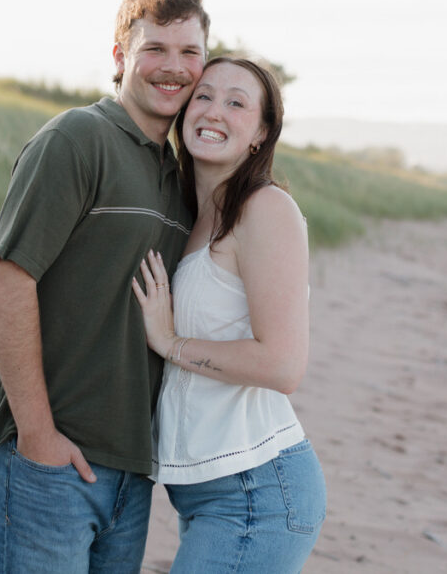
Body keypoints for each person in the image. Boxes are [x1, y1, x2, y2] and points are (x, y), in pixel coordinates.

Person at [0, 0, 209, 573]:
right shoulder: (77, 139)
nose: (174, 67)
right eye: (155, 49)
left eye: (190, 52)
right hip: (48, 459)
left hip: (131, 470)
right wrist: (38, 436)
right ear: (120, 56)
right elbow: (7, 279)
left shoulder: (182, 176)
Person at [132, 57, 327, 572]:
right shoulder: (194, 216)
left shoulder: (265, 209)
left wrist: (170, 342)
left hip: (256, 491)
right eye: (204, 96)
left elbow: (282, 366)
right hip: (209, 491)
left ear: (261, 133)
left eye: (236, 103)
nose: (214, 111)